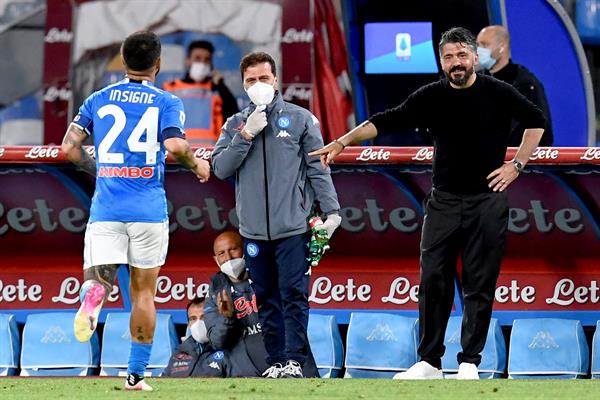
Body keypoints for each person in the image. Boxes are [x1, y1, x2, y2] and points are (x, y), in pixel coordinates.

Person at [309, 27, 546, 380]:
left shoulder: (500, 92)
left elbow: (536, 122)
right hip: (443, 202)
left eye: (462, 55)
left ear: (473, 58)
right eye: (448, 57)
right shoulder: (431, 96)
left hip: (487, 201)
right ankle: (430, 362)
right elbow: (384, 121)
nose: (456, 63)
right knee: (433, 278)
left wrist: (516, 166)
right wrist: (342, 141)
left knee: (479, 282)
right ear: (441, 61)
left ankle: (469, 363)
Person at [61, 30, 211, 391]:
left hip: (107, 207)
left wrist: (100, 169)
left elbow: (69, 147)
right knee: (144, 294)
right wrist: (198, 166)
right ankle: (135, 375)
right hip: (147, 210)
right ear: (157, 64)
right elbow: (175, 145)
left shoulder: (98, 98)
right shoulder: (166, 101)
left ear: (124, 62)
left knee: (98, 277)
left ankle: (94, 294)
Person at [211, 52, 341, 378]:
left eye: (263, 78)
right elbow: (220, 168)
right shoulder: (234, 124)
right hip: (254, 232)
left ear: (276, 80)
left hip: (292, 227)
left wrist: (332, 211)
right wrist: (246, 135)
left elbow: (317, 168)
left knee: (294, 296)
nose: (258, 85)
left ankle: (296, 361)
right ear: (242, 84)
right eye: (251, 80)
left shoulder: (300, 119)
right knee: (265, 297)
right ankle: (277, 362)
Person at [204, 231, 319, 378]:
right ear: (216, 259)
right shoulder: (216, 289)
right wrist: (227, 318)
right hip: (248, 375)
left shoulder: (270, 274)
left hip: (290, 367)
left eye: (233, 249)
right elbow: (217, 342)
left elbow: (294, 314)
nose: (228, 257)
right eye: (221, 253)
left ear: (245, 249)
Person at [476, 25, 553, 146]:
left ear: (502, 47)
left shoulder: (527, 85)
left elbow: (542, 134)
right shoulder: (475, 82)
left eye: (484, 45)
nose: (479, 51)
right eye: (478, 45)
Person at [163, 40, 239, 144]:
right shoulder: (170, 89)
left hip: (208, 154)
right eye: (197, 58)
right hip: (177, 155)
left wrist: (221, 85)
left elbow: (234, 117)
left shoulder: (217, 90)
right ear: (188, 61)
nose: (202, 63)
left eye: (207, 59)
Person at [162, 297, 228, 378]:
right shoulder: (180, 352)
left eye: (203, 317)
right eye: (193, 319)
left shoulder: (230, 349)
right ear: (188, 324)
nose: (198, 323)